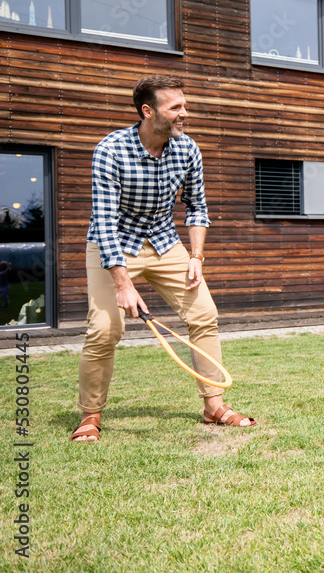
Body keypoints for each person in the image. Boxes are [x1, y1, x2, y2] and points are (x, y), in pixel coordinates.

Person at [70, 75, 254, 442]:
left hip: (163, 240)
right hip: (114, 245)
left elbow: (197, 206)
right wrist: (122, 283)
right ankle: (90, 416)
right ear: (148, 111)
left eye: (184, 106)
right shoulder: (111, 150)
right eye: (176, 108)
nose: (185, 114)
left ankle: (214, 406)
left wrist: (196, 257)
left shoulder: (187, 149)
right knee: (106, 329)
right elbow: (104, 222)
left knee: (204, 315)